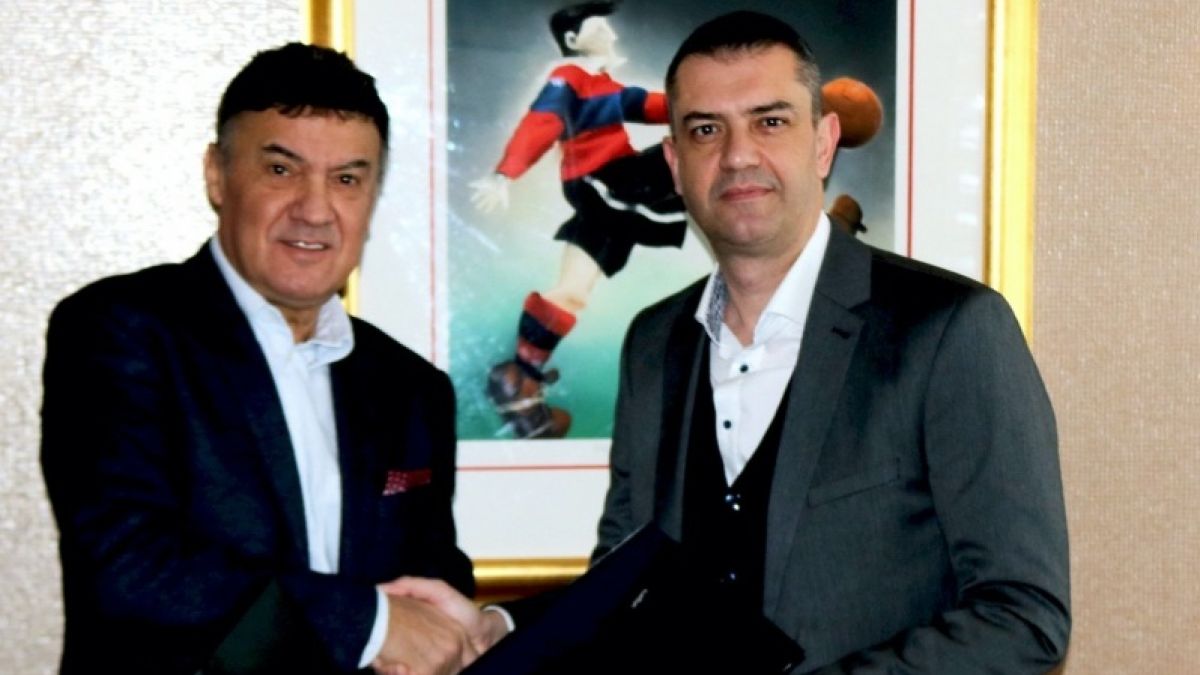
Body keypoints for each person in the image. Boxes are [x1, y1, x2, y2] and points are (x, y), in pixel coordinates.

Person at [390, 10, 1070, 673]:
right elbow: (622, 585)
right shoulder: (651, 343)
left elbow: (1024, 615)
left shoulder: (951, 328)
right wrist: (499, 627)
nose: (738, 154)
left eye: (770, 122)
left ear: (823, 142)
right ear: (674, 161)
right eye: (706, 129)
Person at [40, 43, 487, 675]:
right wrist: (367, 623)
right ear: (217, 176)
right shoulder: (118, 329)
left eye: (347, 179)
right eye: (281, 170)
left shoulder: (413, 387)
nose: (315, 209)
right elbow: (126, 566)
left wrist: (467, 626)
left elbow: (428, 584)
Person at [473, 0, 687, 439]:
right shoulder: (569, 77)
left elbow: (647, 105)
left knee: (571, 292)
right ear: (573, 40)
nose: (611, 34)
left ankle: (519, 385)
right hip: (609, 182)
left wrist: (701, 103)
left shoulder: (600, 84)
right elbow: (542, 121)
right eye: (599, 28)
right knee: (692, 158)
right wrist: (505, 172)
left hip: (608, 188)